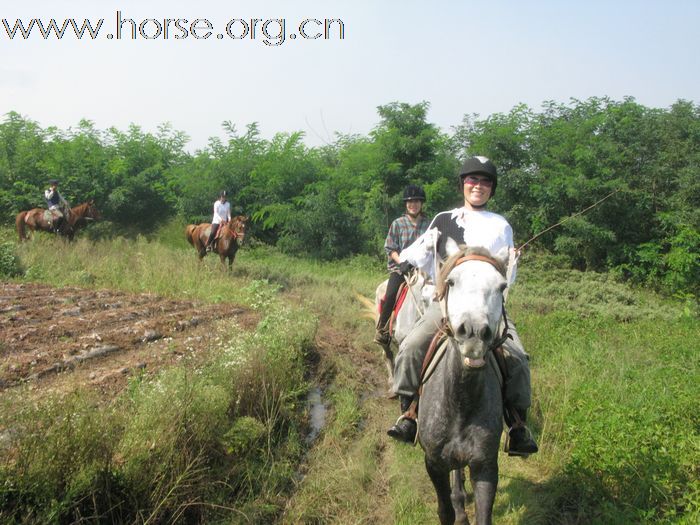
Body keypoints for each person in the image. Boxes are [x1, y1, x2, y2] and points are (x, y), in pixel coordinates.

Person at [387, 156, 539, 457]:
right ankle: (409, 414)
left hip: (488, 308)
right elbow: (424, 255)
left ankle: (517, 425)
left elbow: (507, 276)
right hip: (447, 306)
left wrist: (513, 260)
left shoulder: (501, 225)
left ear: (491, 189)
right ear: (463, 185)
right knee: (411, 347)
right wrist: (413, 255)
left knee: (518, 360)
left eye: (485, 182)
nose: (478, 186)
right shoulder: (444, 218)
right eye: (472, 180)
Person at [375, 185, 430, 345]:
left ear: (421, 203)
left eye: (417, 201)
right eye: (410, 202)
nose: (413, 204)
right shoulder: (398, 223)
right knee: (391, 293)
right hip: (401, 268)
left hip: (423, 268)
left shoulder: (428, 224)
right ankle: (382, 328)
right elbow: (390, 247)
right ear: (406, 204)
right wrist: (402, 262)